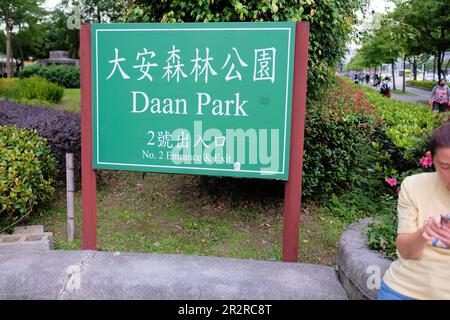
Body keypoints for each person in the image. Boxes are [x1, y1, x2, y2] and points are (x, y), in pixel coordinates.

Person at [378, 122, 450, 300]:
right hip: (402, 290)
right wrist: (425, 232)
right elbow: (407, 252)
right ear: (431, 160)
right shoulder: (413, 186)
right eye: (446, 167)